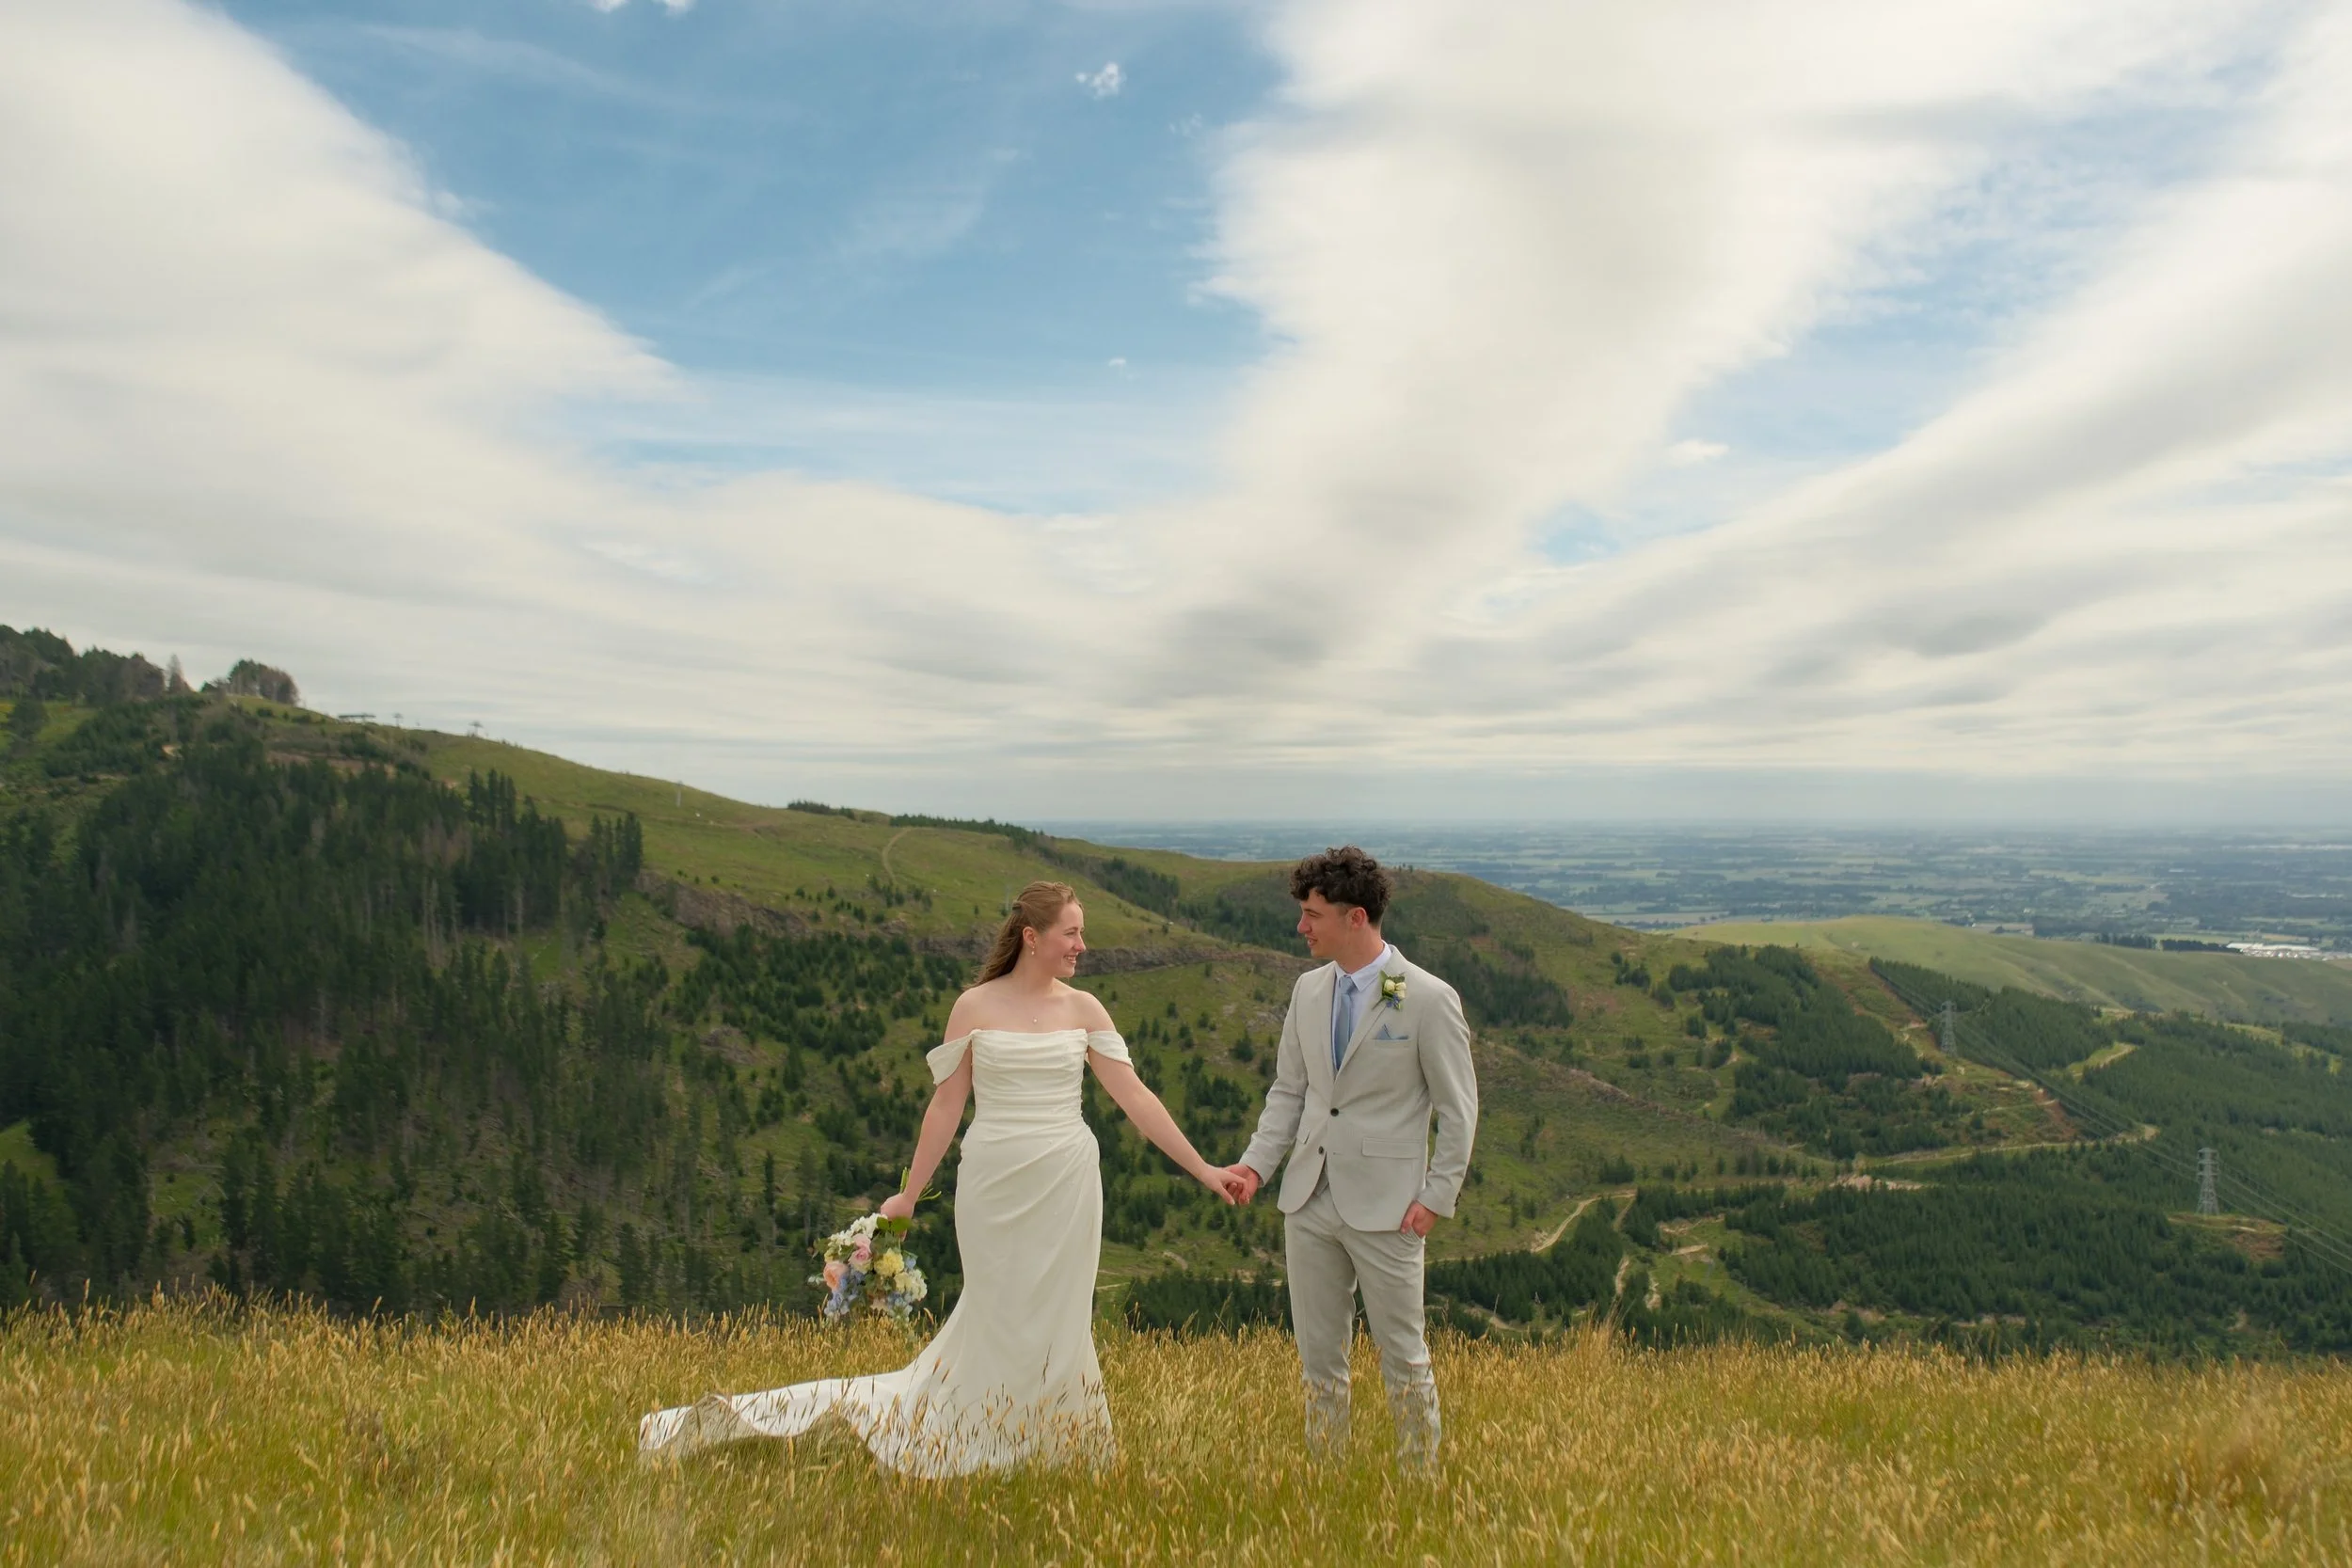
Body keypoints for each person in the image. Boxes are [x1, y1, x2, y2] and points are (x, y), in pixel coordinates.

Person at [638, 880, 1243, 1476]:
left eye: (1081, 934)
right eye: (1073, 933)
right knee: (997, 1306)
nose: (1083, 945)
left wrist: (1205, 1170)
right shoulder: (973, 1007)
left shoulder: (1085, 1010)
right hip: (992, 1182)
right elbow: (947, 1106)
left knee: (1061, 1312)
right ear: (1033, 937)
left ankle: (1055, 1442)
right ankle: (981, 1429)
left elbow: (1135, 1097)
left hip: (1067, 1182)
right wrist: (907, 1196)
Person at [1225, 847, 1478, 1474]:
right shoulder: (1309, 989)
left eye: (1313, 914)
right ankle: (1325, 1480)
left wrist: (1435, 1197)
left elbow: (1459, 1108)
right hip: (1308, 1198)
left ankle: (1422, 1484)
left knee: (1404, 1357)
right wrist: (1257, 1166)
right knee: (1319, 1361)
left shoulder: (1427, 998)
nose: (1301, 926)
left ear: (1356, 916)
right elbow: (1289, 1091)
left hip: (1391, 1208)